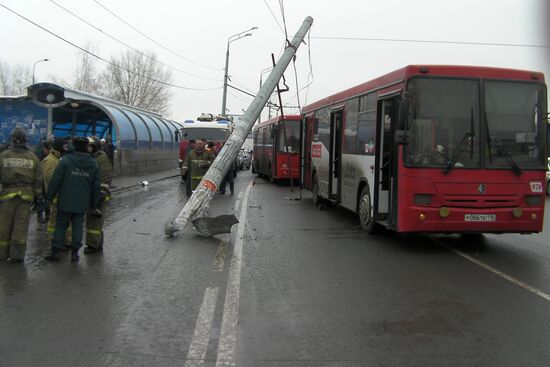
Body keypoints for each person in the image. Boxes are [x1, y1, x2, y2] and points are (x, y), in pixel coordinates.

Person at [44, 136, 101, 262]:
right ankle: (75, 254)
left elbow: (55, 181)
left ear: (74, 145)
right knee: (77, 227)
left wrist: (49, 197)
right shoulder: (93, 163)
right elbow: (96, 186)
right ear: (87, 147)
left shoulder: (65, 160)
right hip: (82, 202)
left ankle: (55, 252)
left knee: (60, 227)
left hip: (65, 200)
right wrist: (94, 204)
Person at [0, 128, 43, 263]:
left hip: (7, 196)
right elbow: (38, 179)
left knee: (4, 225)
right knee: (21, 225)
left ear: (11, 140)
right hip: (26, 196)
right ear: (26, 140)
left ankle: (2, 254)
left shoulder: (3, 155)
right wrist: (38, 196)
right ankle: (17, 255)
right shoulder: (33, 157)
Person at [84, 136, 113, 254]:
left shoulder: (102, 158)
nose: (88, 148)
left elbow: (106, 178)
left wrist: (101, 194)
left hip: (100, 195)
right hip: (93, 194)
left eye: (90, 145)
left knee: (94, 221)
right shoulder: (93, 158)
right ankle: (97, 243)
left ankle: (93, 245)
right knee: (93, 220)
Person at [42, 137, 70, 244]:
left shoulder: (59, 159)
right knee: (54, 222)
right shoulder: (49, 161)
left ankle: (66, 241)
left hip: (62, 196)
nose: (65, 149)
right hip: (55, 197)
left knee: (65, 222)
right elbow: (51, 178)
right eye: (64, 147)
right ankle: (54, 242)